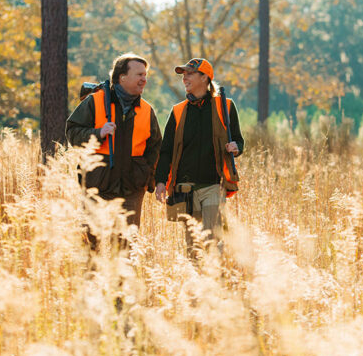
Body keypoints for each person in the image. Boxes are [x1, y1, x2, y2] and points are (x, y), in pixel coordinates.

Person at [154, 58, 243, 256]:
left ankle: (216, 281)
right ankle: (198, 284)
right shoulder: (178, 111)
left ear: (205, 77)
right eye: (183, 74)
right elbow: (166, 150)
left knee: (213, 241)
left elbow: (238, 140)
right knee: (193, 245)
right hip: (185, 189)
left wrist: (236, 147)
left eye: (190, 73)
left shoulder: (226, 106)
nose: (184, 78)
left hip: (213, 185)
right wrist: (160, 181)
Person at [66, 53, 162, 232]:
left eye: (145, 75)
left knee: (126, 245)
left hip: (132, 188)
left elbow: (156, 147)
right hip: (98, 185)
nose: (144, 79)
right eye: (139, 74)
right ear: (122, 77)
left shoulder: (147, 111)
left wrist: (147, 177)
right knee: (91, 240)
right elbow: (72, 132)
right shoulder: (95, 101)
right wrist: (99, 133)